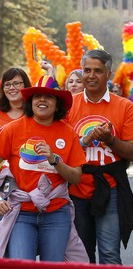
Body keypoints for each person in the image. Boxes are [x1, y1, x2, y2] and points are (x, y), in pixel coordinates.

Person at [66, 49, 133, 264]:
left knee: (109, 253)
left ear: (108, 74)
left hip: (110, 188)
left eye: (97, 71)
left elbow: (132, 151)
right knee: (81, 256)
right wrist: (85, 140)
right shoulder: (69, 105)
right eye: (87, 70)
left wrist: (110, 139)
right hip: (76, 189)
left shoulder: (125, 106)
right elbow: (61, 149)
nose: (91, 76)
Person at [0, 75, 86, 262]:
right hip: (20, 213)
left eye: (48, 96)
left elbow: (76, 177)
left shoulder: (68, 132)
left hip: (56, 213)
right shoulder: (12, 129)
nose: (42, 100)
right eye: (37, 96)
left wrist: (54, 159)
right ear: (30, 102)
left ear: (57, 104)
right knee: (22, 265)